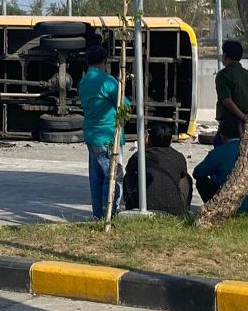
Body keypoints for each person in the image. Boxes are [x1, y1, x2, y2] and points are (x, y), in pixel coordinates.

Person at [78, 45, 131, 219]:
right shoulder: (107, 81)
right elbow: (124, 104)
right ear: (105, 61)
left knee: (96, 178)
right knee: (113, 176)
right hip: (109, 135)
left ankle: (98, 213)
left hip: (91, 134)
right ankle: (110, 213)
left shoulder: (83, 82)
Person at [193, 120, 248, 218]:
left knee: (201, 182)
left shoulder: (218, 152)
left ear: (221, 135)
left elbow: (197, 173)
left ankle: (215, 212)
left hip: (230, 207)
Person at [124, 123, 193, 217]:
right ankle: (183, 209)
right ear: (170, 141)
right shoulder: (178, 156)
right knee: (186, 178)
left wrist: (144, 147)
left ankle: (131, 206)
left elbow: (129, 171)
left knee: (127, 177)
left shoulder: (139, 156)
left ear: (149, 139)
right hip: (173, 209)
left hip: (143, 205)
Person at [215, 40, 248, 146]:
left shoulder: (223, 75)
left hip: (230, 124)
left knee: (222, 151)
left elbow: (227, 101)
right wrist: (247, 118)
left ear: (225, 55)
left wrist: (242, 117)